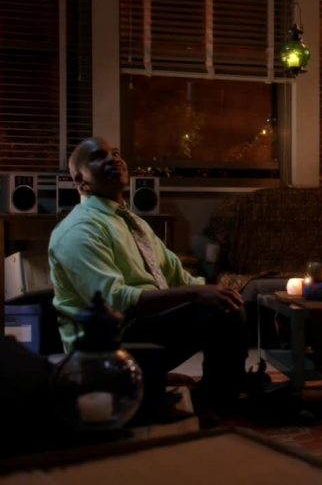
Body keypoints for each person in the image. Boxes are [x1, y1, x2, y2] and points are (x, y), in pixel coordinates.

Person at [48, 136, 247, 413]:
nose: (113, 159)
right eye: (99, 157)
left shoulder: (133, 222)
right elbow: (114, 303)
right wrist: (196, 294)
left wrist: (215, 290)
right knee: (220, 313)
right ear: (80, 180)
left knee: (228, 303)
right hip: (104, 346)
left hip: (141, 326)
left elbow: (177, 275)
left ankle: (219, 393)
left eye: (116, 153)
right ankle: (215, 404)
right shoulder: (79, 230)